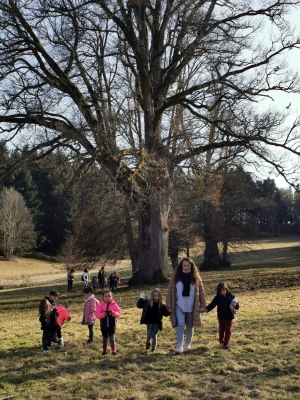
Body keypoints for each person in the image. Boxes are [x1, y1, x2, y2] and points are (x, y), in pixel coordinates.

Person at [166, 257, 206, 354]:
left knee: (189, 326)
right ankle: (180, 345)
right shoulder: (176, 277)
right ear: (181, 266)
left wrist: (203, 305)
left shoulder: (196, 277)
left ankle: (188, 345)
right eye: (184, 265)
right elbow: (169, 291)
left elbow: (201, 292)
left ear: (191, 266)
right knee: (180, 323)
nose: (186, 267)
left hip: (192, 307)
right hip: (179, 305)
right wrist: (169, 305)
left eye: (188, 265)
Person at [204, 282, 239, 350]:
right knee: (221, 330)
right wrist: (207, 309)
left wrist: (236, 306)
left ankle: (226, 343)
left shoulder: (231, 297)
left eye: (224, 290)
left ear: (226, 289)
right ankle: (221, 341)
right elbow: (212, 305)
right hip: (221, 317)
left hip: (229, 317)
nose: (222, 292)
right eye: (220, 291)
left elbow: (237, 305)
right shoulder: (217, 298)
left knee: (228, 330)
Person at [95, 289, 121, 355]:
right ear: (103, 297)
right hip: (103, 325)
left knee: (112, 337)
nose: (107, 298)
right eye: (106, 296)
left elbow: (119, 313)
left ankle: (113, 350)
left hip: (112, 325)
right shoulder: (101, 305)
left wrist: (113, 313)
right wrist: (103, 314)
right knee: (104, 338)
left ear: (112, 297)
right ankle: (104, 350)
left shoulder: (114, 305)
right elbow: (97, 314)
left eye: (109, 296)